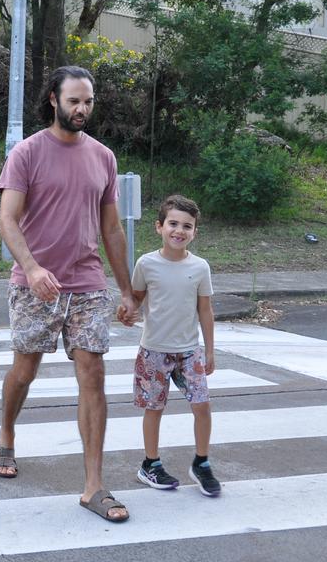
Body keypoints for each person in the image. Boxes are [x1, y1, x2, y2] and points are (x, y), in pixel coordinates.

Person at [0, 65, 137, 523]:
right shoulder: (27, 153)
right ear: (53, 99)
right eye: (74, 100)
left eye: (88, 101)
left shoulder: (104, 157)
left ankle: (94, 485)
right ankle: (6, 433)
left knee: (92, 372)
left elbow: (111, 229)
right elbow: (8, 221)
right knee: (25, 369)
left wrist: (128, 290)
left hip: (87, 283)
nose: (82, 109)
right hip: (36, 284)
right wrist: (32, 268)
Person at [130, 194, 221, 497]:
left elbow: (205, 310)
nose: (179, 231)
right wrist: (126, 312)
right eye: (173, 223)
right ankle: (150, 463)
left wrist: (209, 349)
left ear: (195, 231)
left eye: (187, 226)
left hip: (189, 351)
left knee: (202, 406)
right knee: (154, 408)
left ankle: (202, 462)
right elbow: (135, 301)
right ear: (159, 227)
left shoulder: (200, 267)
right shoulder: (146, 264)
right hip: (154, 351)